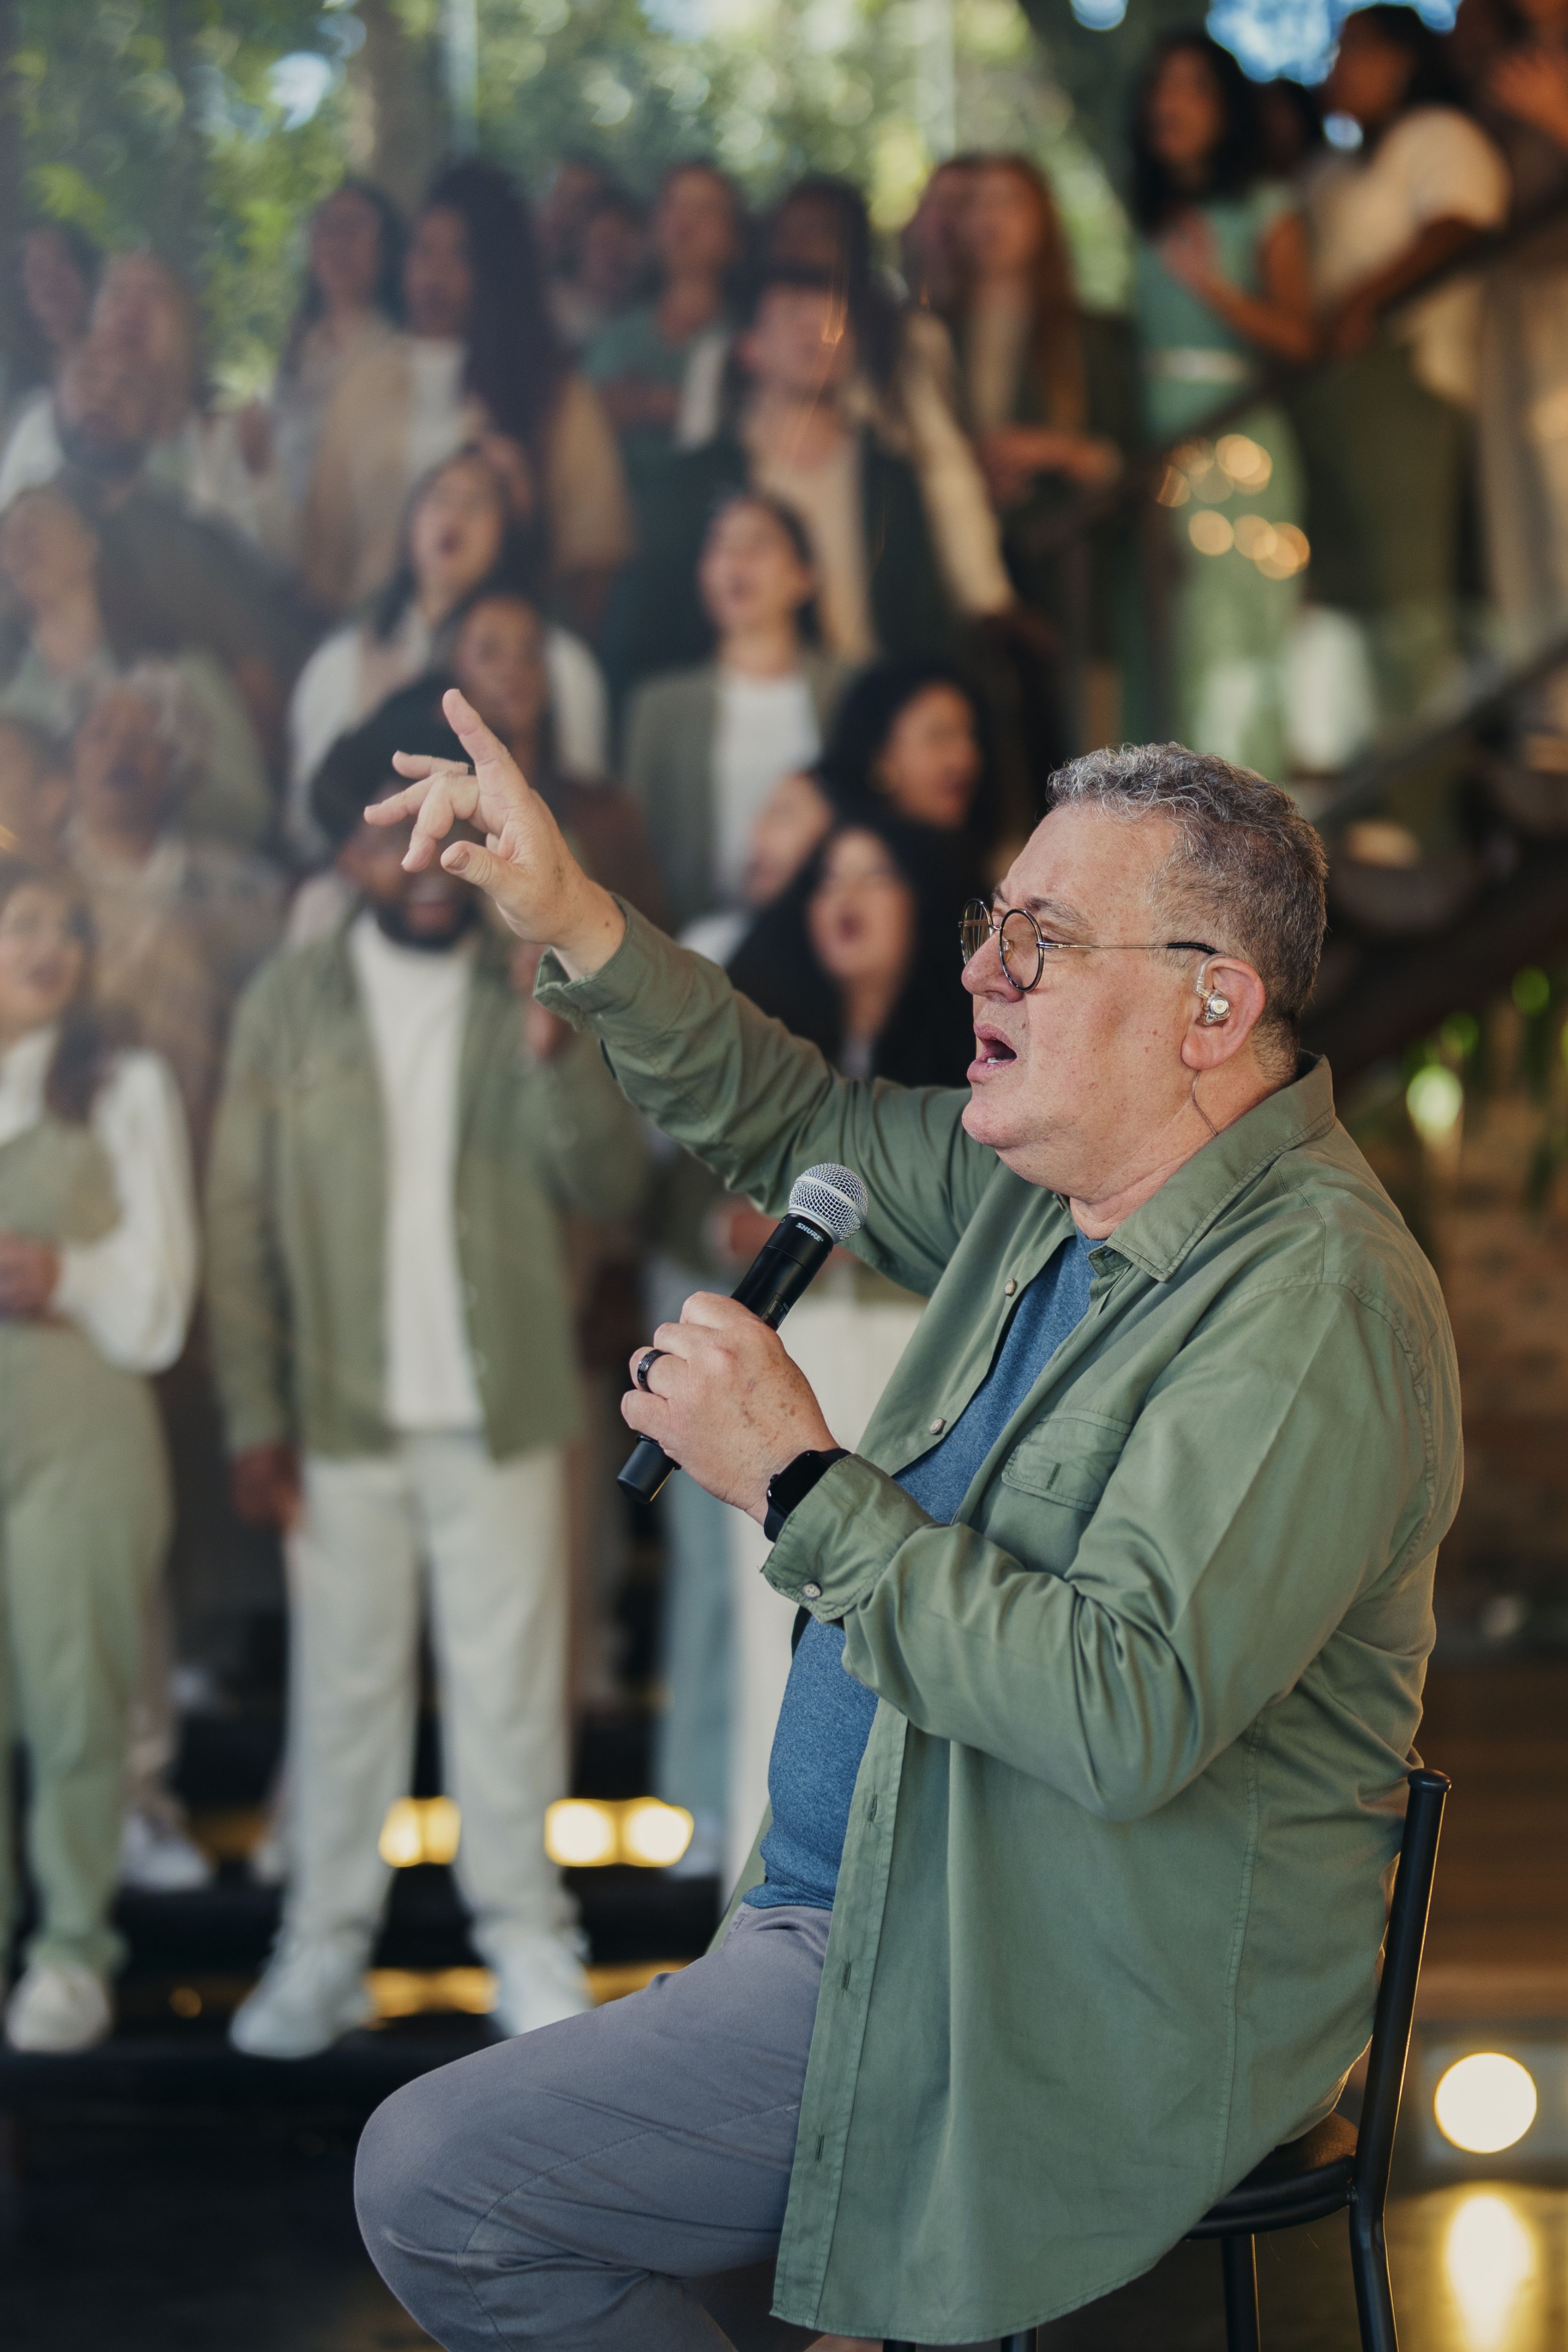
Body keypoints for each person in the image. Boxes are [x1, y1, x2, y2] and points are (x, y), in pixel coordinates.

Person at [352, 689, 1461, 2351]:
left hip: (1056, 1983)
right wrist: (566, 909)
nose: (982, 973)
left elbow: (1125, 1708)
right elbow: (797, 1122)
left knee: (444, 2182)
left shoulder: (1310, 1305)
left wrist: (797, 1480)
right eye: (989, 928)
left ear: (1212, 1007)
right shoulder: (1054, 1196)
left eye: (1042, 939)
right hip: (886, 1898)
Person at [205, 705, 647, 2061]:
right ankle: (321, 1949)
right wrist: (256, 1415)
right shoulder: (289, 1002)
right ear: (345, 853)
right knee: (342, 1700)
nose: (416, 858)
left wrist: (552, 1052)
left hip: (503, 1406)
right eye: (384, 834)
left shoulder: (537, 977)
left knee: (511, 1696)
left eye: (441, 824)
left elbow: (611, 1185)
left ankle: (525, 1935)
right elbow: (238, 1224)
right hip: (338, 1419)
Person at [0, 860, 197, 2053]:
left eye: (70, 928)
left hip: (82, 1443)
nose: (51, 947)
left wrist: (63, 1273)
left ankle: (72, 1948)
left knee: (76, 1705)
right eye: (23, 922)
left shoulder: (124, 1084)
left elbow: (165, 1291)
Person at [1295, 6, 1510, 741]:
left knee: (1407, 595)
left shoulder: (1440, 137)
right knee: (1346, 600)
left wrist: (1366, 301)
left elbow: (1460, 224)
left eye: (1354, 48)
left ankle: (1426, 782)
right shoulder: (1326, 169)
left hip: (1411, 381)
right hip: (1331, 394)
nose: (1336, 67)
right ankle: (1367, 769)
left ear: (1402, 60)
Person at [302, 160, 633, 632]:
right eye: (424, 250)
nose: (434, 273)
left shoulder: (556, 395)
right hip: (374, 643)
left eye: (459, 254)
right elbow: (325, 562)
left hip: (500, 652)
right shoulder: (363, 386)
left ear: (496, 269)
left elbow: (593, 559)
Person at [607, 263, 957, 697]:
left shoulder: (890, 477)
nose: (816, 335)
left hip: (870, 704)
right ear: (750, 348)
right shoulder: (697, 479)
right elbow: (653, 617)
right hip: (741, 702)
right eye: (793, 317)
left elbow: (927, 618)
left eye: (832, 322)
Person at [1128, 40, 1317, 780]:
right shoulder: (1148, 214)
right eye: (1160, 85)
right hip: (1155, 444)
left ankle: (1244, 821)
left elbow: (1302, 338)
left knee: (1236, 635)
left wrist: (1214, 288)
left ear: (1228, 109)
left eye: (1194, 87)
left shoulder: (1267, 207)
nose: (1170, 102)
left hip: (1235, 444)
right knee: (1171, 638)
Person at [287, 447, 608, 854]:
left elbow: (583, 802)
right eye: (438, 498)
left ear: (507, 534)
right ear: (409, 523)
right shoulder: (339, 661)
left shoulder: (559, 662)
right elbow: (308, 819)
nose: (453, 516)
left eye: (476, 503)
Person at [767, 172, 1016, 626]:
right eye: (789, 230)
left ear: (852, 244)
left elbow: (945, 473)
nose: (801, 244)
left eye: (820, 230)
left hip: (875, 555)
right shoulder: (732, 346)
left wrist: (985, 597)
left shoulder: (903, 339)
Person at [65, 667, 285, 1146]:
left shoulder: (244, 891)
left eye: (142, 739)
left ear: (178, 763)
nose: (118, 752)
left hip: (207, 1135)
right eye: (100, 735)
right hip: (73, 1133)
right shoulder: (40, 886)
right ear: (73, 755)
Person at [622, 489, 846, 930]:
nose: (735, 561)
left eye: (758, 543)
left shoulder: (850, 690)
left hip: (826, 935)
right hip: (697, 942)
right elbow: (636, 853)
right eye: (720, 545)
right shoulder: (659, 707)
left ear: (804, 576)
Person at [0, 483, 271, 846]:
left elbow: (249, 810)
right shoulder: (14, 714)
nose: (18, 541)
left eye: (37, 522)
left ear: (88, 543)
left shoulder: (183, 672)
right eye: (7, 535)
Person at [1475, 0, 1568, 760]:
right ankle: (1545, 708)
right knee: (1518, 508)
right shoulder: (1496, 49)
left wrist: (1555, 115)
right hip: (1510, 300)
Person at [234, 181, 406, 564]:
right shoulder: (298, 354)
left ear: (387, 247)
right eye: (326, 227)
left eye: (355, 227)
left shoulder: (400, 358)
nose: (337, 242)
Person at [585, 163, 744, 506]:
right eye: (674, 205)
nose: (685, 221)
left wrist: (646, 404)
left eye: (705, 209)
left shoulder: (750, 342)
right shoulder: (614, 336)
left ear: (735, 235)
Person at [813, 652, 999, 873]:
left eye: (972, 737)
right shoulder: (855, 867)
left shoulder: (988, 866)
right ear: (879, 754)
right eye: (939, 736)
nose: (966, 759)